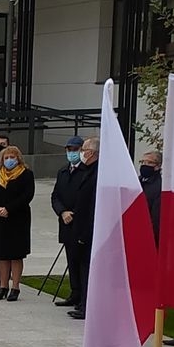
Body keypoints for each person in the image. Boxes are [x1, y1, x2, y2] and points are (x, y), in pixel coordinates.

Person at [0, 136, 36, 301]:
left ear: (18, 158)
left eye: (12, 157)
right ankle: (3, 285)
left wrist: (9, 208)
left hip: (17, 218)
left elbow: (27, 195)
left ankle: (15, 287)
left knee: (15, 254)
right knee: (1, 254)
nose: (9, 160)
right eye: (7, 158)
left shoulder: (26, 174)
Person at [50, 135, 98, 318]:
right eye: (69, 150)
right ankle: (75, 293)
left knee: (84, 264)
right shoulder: (63, 171)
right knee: (72, 261)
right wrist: (62, 211)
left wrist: (74, 213)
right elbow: (55, 195)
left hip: (81, 224)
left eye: (78, 149)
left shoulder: (88, 172)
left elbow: (87, 200)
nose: (72, 153)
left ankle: (84, 302)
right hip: (67, 223)